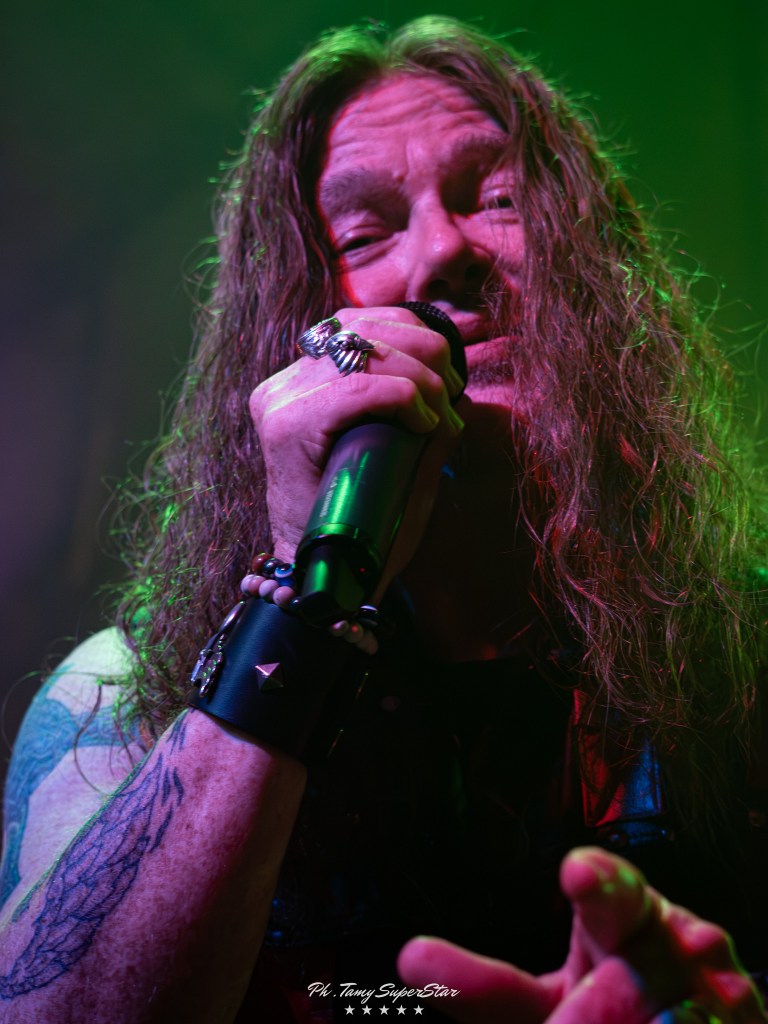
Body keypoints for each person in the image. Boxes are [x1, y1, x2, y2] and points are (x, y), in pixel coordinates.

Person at [1, 15, 766, 1023]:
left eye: (500, 200)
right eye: (363, 235)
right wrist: (303, 594)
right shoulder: (122, 691)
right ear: (289, 334)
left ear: (601, 268)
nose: (442, 254)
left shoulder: (746, 643)